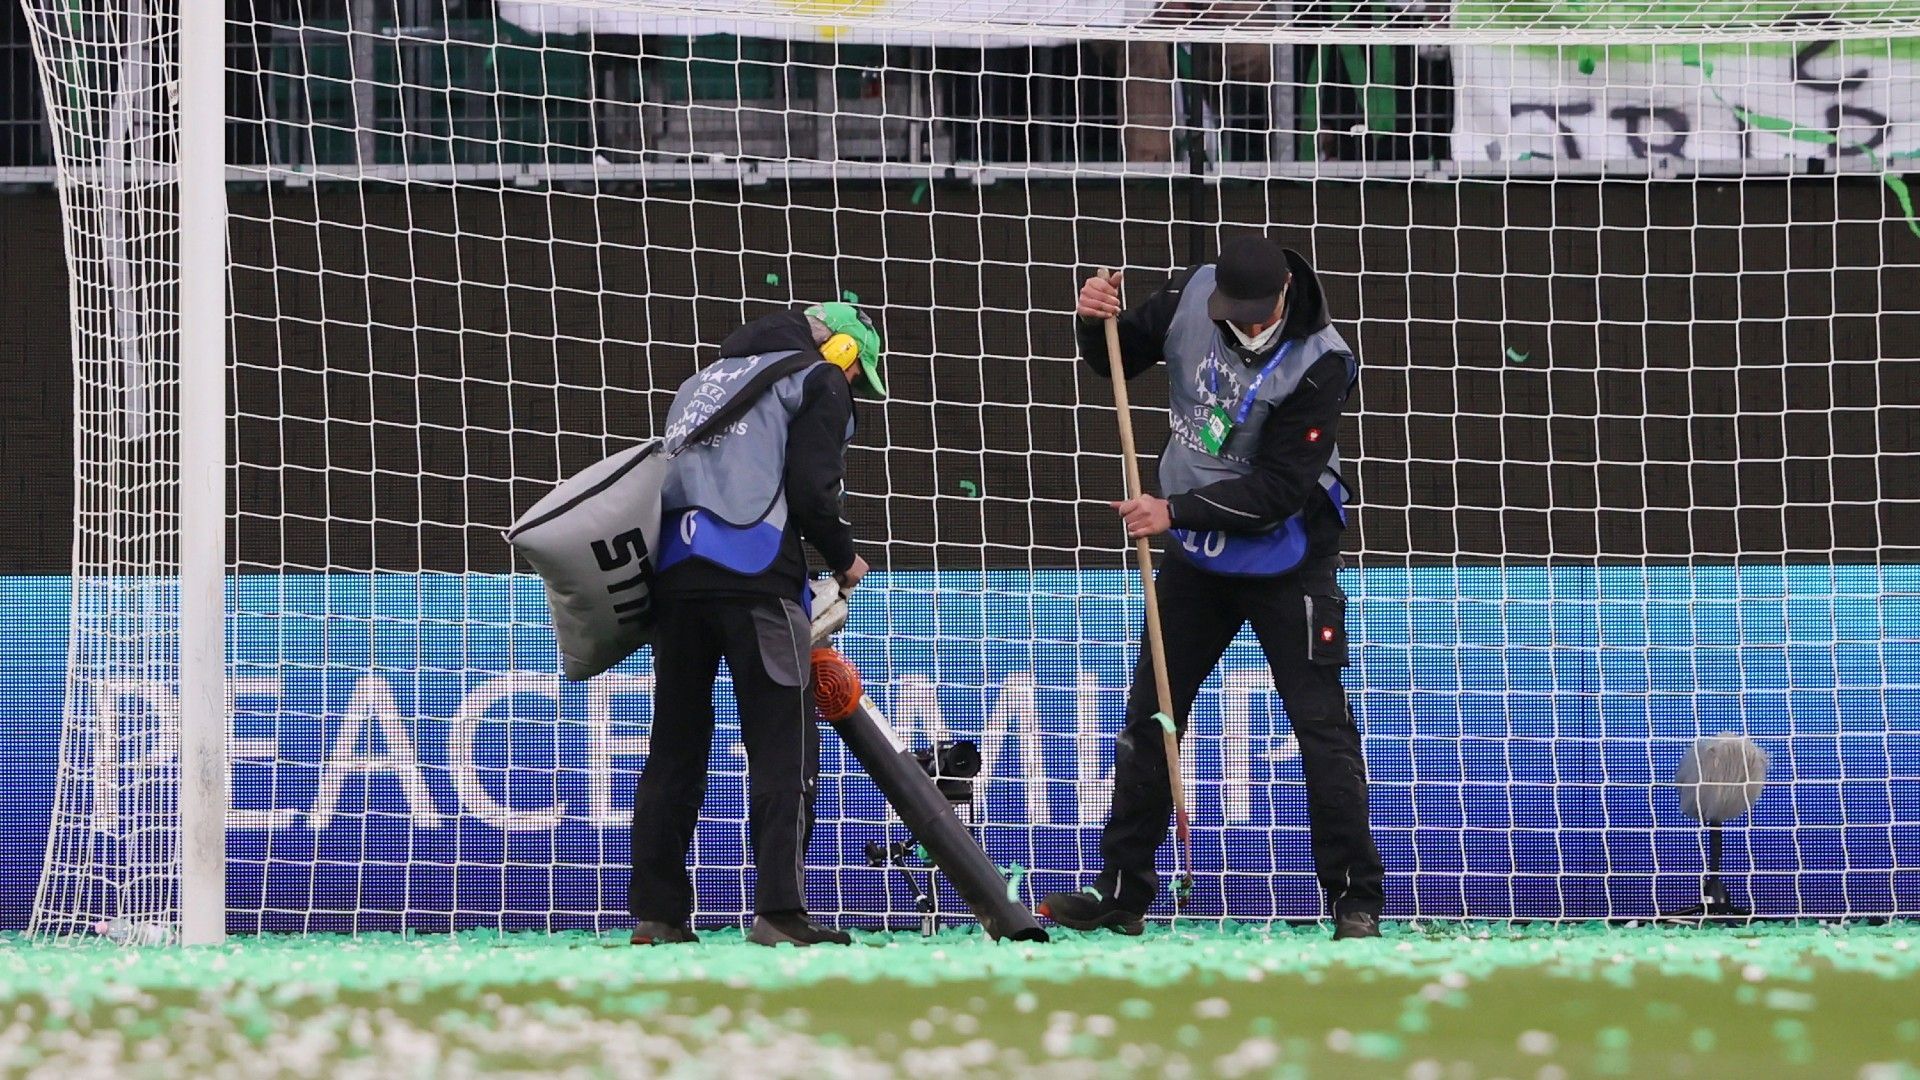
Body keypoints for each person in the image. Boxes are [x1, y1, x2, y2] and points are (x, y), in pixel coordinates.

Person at [1039, 234, 1385, 939]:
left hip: (1288, 556)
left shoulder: (1323, 362)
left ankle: (1355, 901)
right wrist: (1091, 316)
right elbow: (1118, 357)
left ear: (1285, 294)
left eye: (1260, 313)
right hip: (1196, 558)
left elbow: (1281, 489)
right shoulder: (1192, 292)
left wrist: (1173, 512)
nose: (1248, 324)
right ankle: (1122, 892)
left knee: (1322, 729)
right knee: (1150, 719)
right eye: (1238, 312)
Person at [629, 301, 886, 947]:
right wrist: (844, 558)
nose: (853, 391)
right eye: (860, 378)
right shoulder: (817, 377)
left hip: (676, 578)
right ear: (845, 353)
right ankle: (779, 912)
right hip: (754, 578)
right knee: (783, 745)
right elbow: (810, 490)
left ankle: (658, 916)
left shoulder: (700, 381)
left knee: (675, 748)